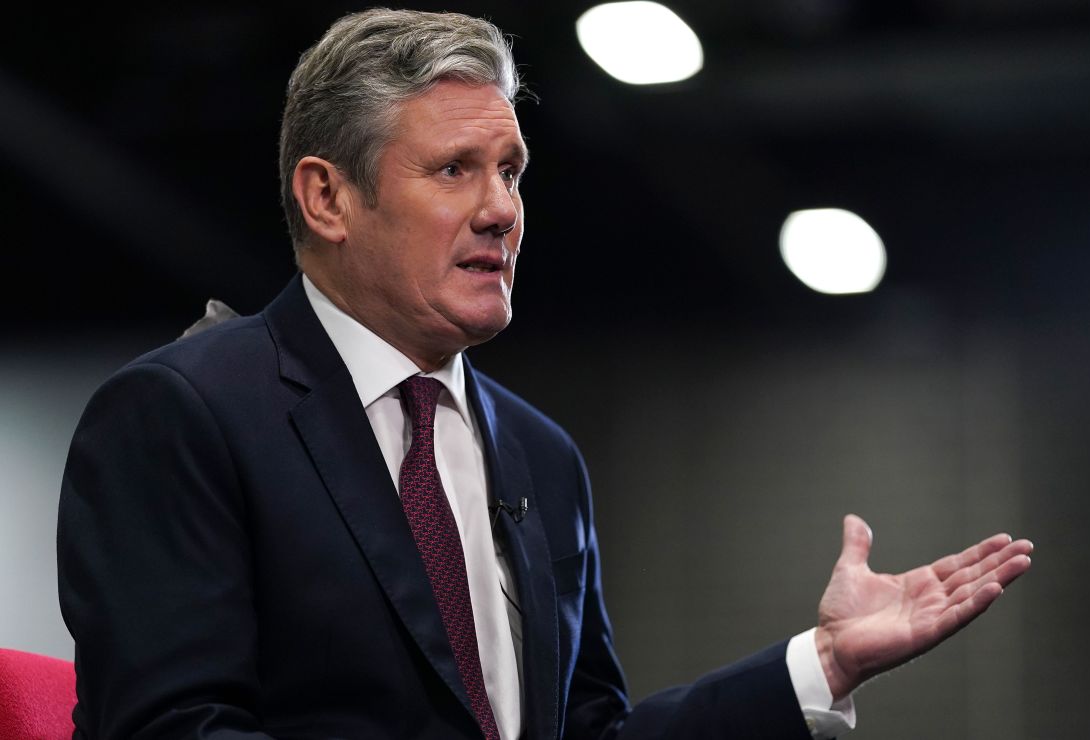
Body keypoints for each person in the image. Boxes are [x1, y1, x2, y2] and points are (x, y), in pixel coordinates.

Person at [56, 8, 1033, 739]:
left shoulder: (540, 454)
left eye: (512, 170)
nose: (502, 210)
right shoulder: (183, 415)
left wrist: (817, 666)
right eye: (454, 171)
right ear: (328, 196)